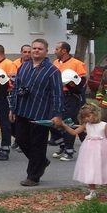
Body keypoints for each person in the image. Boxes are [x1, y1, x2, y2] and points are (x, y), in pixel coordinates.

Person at [9, 38, 63, 187]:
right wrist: (13, 108)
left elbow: (57, 94)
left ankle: (33, 177)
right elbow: (15, 88)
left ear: (46, 51)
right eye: (34, 48)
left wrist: (57, 114)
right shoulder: (24, 67)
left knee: (38, 145)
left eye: (40, 48)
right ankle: (41, 162)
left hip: (41, 114)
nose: (36, 51)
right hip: (22, 110)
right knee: (20, 139)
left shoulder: (53, 71)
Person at [49, 41, 88, 159]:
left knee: (69, 122)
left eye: (57, 49)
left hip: (72, 96)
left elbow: (82, 81)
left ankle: (69, 151)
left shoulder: (77, 63)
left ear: (64, 50)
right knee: (52, 120)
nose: (54, 51)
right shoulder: (55, 63)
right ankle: (63, 145)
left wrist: (72, 87)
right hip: (58, 96)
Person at [61, 104, 107, 200]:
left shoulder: (104, 125)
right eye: (84, 117)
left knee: (103, 168)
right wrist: (64, 125)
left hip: (102, 150)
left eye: (88, 116)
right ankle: (92, 191)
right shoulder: (86, 125)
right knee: (90, 169)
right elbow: (74, 132)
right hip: (89, 151)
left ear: (95, 114)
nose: (86, 119)